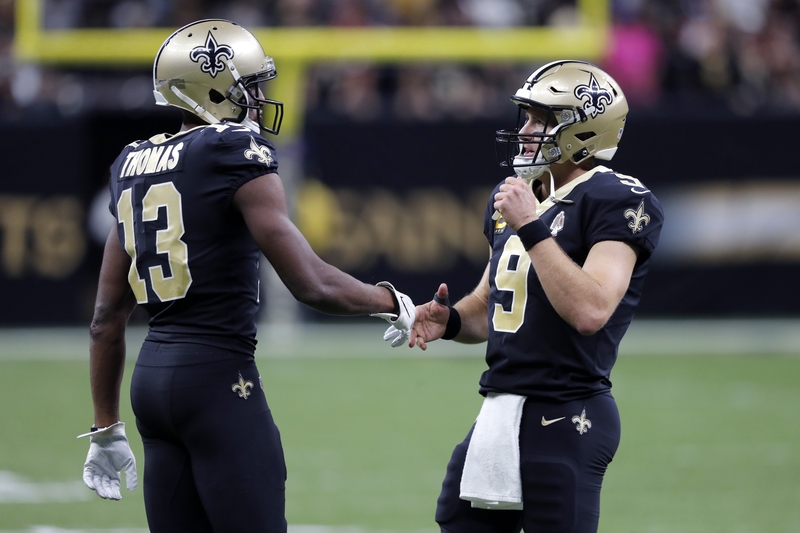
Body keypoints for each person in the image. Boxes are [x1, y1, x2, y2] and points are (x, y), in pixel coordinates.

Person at [78, 19, 414, 533]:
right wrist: (390, 301)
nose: (257, 100)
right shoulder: (232, 150)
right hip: (216, 377)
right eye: (248, 87)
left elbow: (105, 317)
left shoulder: (132, 162)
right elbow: (313, 284)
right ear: (211, 88)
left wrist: (105, 425)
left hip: (151, 380)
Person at [397, 60, 664, 533]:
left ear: (583, 130)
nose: (525, 131)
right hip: (500, 410)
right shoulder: (517, 196)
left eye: (541, 120)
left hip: (568, 410)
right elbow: (490, 303)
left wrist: (531, 225)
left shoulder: (616, 198)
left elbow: (591, 309)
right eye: (527, 118)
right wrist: (451, 321)